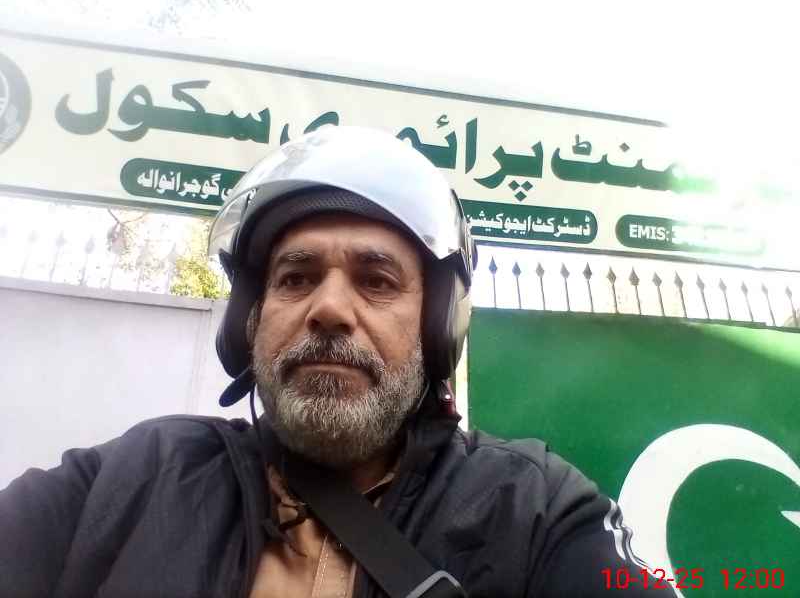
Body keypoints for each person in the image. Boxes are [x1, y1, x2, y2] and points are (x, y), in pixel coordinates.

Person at [0, 126, 676, 597]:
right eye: (295, 278)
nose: (327, 308)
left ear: (438, 326)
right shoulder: (134, 478)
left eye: (376, 281)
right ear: (249, 320)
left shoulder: (533, 508)